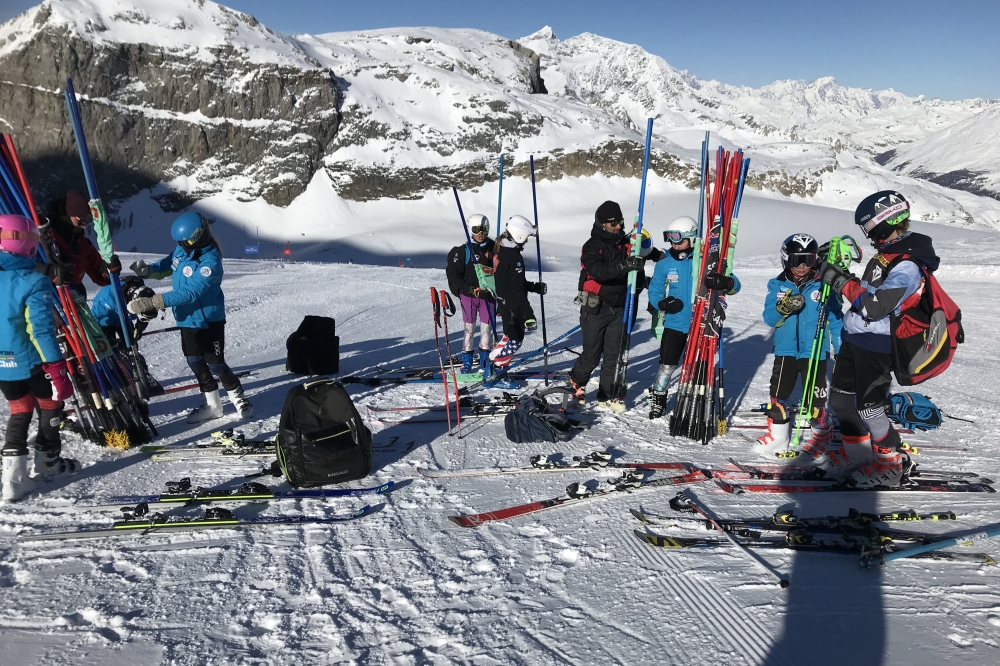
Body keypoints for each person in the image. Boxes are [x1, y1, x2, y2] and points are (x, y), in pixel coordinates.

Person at [800, 191, 934, 488]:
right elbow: (865, 289)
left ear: (884, 223)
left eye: (869, 229)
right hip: (857, 337)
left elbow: (877, 305)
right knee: (841, 401)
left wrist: (838, 280)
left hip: (878, 344)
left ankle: (891, 463)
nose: (868, 235)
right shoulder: (885, 255)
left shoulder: (907, 264)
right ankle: (857, 456)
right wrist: (839, 274)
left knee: (870, 407)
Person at [127, 212, 252, 422]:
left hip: (209, 320)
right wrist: (148, 270)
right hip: (187, 319)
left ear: (197, 238)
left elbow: (191, 293)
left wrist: (153, 302)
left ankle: (238, 398)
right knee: (195, 363)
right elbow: (168, 265)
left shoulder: (210, 261)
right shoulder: (183, 249)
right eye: (180, 243)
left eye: (185, 242)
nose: (181, 246)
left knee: (216, 364)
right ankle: (212, 405)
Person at [0, 214, 78, 502]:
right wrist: (57, 367)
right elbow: (41, 330)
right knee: (51, 405)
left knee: (19, 411)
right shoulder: (34, 282)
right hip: (33, 362)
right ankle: (48, 463)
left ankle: (13, 480)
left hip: (3, 366)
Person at [646, 215, 741, 418]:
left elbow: (734, 284)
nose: (675, 244)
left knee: (697, 367)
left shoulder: (707, 259)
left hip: (701, 323)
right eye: (670, 239)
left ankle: (694, 401)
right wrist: (661, 303)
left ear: (692, 238)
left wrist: (726, 282)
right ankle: (658, 396)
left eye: (679, 240)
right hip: (675, 322)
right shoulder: (665, 263)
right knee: (667, 365)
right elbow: (654, 290)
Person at [754, 234, 842, 451]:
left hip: (815, 351)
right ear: (786, 259)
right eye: (796, 260)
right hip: (786, 350)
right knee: (779, 395)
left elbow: (836, 320)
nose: (802, 266)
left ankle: (822, 435)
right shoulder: (778, 285)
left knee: (816, 400)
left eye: (808, 260)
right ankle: (778, 436)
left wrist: (841, 349)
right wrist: (782, 309)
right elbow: (769, 318)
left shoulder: (823, 286)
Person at [568, 201, 656, 411]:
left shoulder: (627, 245)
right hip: (596, 308)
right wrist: (625, 265)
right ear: (602, 224)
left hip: (620, 309)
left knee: (612, 355)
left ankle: (605, 394)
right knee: (591, 355)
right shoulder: (592, 246)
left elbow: (647, 256)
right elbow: (598, 271)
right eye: (613, 223)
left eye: (620, 222)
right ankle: (576, 383)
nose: (618, 226)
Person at [484, 215, 546, 388]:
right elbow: (517, 291)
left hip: (505, 303)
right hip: (512, 305)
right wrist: (529, 316)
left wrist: (534, 287)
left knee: (509, 337)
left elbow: (514, 283)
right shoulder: (514, 257)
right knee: (515, 340)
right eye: (526, 237)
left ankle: (491, 363)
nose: (526, 242)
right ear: (519, 236)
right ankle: (496, 373)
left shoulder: (503, 251)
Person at [446, 213, 495, 373]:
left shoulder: (494, 249)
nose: (481, 233)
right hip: (469, 296)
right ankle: (466, 360)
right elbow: (454, 276)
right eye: (476, 229)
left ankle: (485, 360)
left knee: (487, 329)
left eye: (484, 229)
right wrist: (470, 289)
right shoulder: (463, 251)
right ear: (470, 230)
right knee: (470, 328)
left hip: (487, 296)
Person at [47, 190, 119, 296]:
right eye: (82, 221)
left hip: (75, 296)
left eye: (88, 222)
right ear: (69, 214)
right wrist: (50, 272)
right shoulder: (47, 237)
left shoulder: (83, 244)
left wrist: (109, 270)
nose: (84, 226)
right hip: (51, 297)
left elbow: (99, 275)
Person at [90, 276, 157, 349]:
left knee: (132, 344)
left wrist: (139, 327)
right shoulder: (109, 299)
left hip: (124, 320)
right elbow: (92, 317)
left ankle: (131, 356)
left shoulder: (144, 298)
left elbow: (145, 314)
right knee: (108, 347)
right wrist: (99, 336)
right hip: (106, 321)